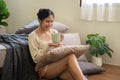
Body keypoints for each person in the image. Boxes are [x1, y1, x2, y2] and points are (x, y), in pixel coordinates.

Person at [28, 8, 87, 80]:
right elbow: (36, 59)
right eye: (47, 21)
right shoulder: (32, 36)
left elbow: (59, 52)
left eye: (51, 21)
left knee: (77, 76)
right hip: (44, 68)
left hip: (59, 64)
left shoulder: (54, 32)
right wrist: (48, 45)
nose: (50, 24)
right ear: (40, 21)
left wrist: (60, 44)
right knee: (70, 57)